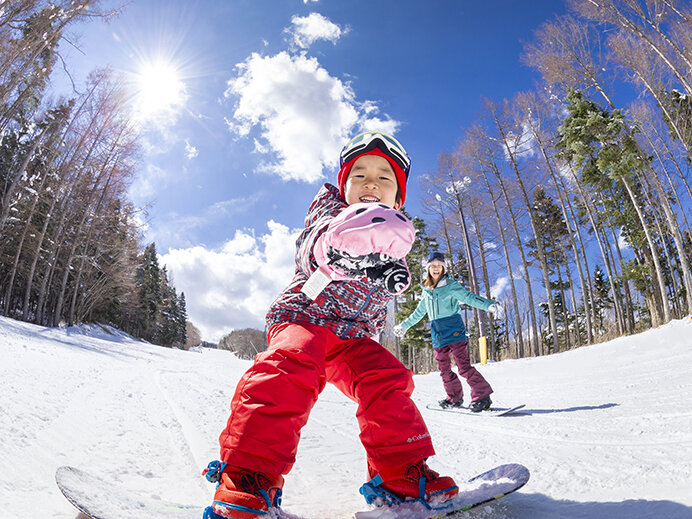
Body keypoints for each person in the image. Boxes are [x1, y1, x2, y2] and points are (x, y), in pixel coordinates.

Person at [202, 133, 459, 519]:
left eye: (384, 178)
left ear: (398, 199)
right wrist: (333, 248)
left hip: (351, 338)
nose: (370, 182)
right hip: (303, 319)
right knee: (289, 366)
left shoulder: (397, 247)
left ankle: (401, 476)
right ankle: (248, 477)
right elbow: (310, 244)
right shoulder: (329, 213)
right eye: (359, 174)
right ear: (344, 186)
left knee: (387, 378)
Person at [393, 251, 502, 412]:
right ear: (428, 269)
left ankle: (482, 396)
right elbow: (419, 312)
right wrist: (404, 326)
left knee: (463, 366)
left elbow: (469, 297)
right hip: (437, 333)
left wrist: (489, 305)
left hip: (453, 328)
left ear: (444, 268)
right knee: (444, 370)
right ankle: (454, 397)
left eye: (439, 266)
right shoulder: (426, 291)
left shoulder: (451, 286)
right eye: (433, 266)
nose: (436, 269)